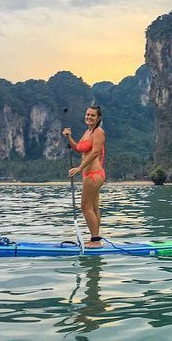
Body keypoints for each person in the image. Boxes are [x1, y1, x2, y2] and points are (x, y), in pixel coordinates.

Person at [62, 106, 106, 248]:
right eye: (87, 114)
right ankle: (95, 238)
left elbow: (94, 153)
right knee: (93, 208)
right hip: (89, 174)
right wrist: (69, 137)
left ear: (98, 118)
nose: (89, 117)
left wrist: (79, 167)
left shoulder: (98, 132)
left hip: (94, 175)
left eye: (93, 115)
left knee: (85, 207)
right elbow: (78, 148)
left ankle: (95, 241)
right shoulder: (87, 132)